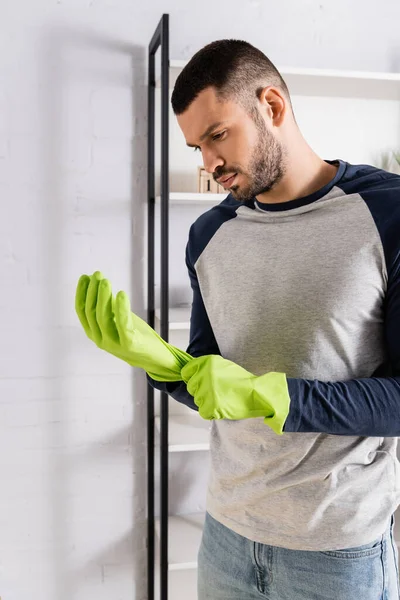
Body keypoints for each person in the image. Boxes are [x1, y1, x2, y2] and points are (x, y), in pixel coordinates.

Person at [146, 39, 400, 599]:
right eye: (197, 148)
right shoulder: (207, 235)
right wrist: (161, 364)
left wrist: (273, 395)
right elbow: (217, 382)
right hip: (227, 534)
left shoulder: (388, 214)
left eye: (217, 136)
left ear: (272, 106)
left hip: (336, 551)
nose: (210, 166)